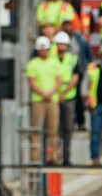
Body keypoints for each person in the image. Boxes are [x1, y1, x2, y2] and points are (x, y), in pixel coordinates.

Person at [26, 36, 63, 165]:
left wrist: (51, 92)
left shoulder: (55, 62)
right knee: (36, 129)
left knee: (53, 130)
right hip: (38, 100)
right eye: (41, 50)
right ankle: (35, 157)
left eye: (45, 49)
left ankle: (54, 156)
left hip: (52, 99)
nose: (43, 52)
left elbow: (59, 80)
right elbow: (32, 82)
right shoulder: (32, 64)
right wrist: (42, 93)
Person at [61, 14, 93, 131]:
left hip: (79, 72)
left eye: (69, 25)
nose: (67, 27)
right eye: (65, 25)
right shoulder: (59, 40)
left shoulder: (80, 40)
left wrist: (86, 70)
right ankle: (69, 124)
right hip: (64, 75)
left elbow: (88, 56)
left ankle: (80, 122)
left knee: (80, 99)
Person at [53, 32, 80, 166]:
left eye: (64, 44)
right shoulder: (51, 58)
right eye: (59, 44)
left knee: (67, 129)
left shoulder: (72, 59)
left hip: (68, 96)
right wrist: (57, 93)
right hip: (54, 97)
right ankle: (54, 156)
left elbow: (75, 77)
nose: (61, 46)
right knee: (54, 129)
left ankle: (66, 158)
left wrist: (64, 92)